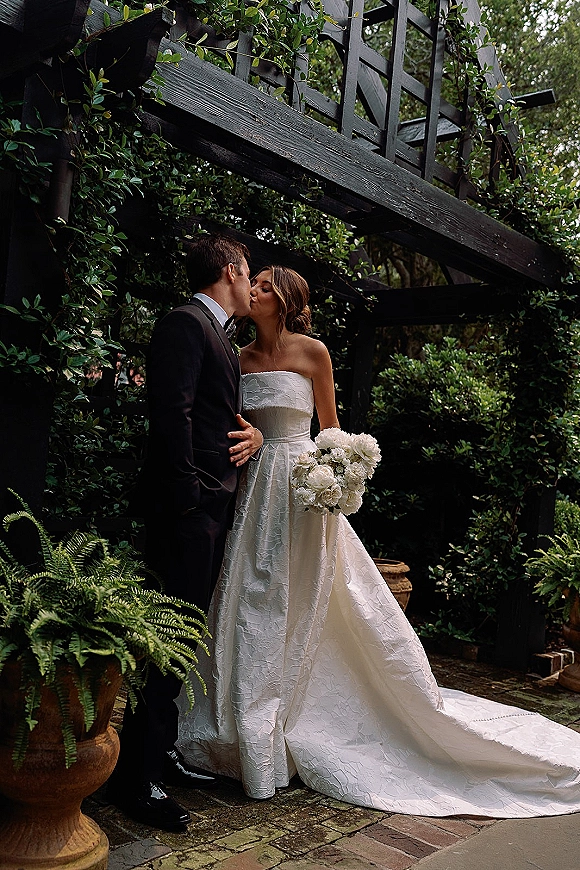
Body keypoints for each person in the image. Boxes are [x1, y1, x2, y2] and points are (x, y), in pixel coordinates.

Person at [176, 264, 580, 819]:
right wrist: (253, 435)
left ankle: (302, 710)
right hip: (252, 492)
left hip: (300, 491)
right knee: (249, 598)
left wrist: (333, 477)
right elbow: (230, 421)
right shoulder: (238, 358)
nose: (256, 291)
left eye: (267, 286)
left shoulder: (313, 353)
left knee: (305, 599)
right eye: (256, 283)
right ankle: (237, 722)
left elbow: (332, 428)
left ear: (289, 299)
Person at [107, 235, 263, 832]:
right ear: (230, 272)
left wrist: (249, 436)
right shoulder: (184, 323)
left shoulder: (212, 330)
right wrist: (194, 494)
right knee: (165, 636)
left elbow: (209, 410)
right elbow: (169, 415)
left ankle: (160, 753)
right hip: (186, 511)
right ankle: (136, 779)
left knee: (181, 633)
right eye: (249, 276)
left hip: (206, 507)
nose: (253, 288)